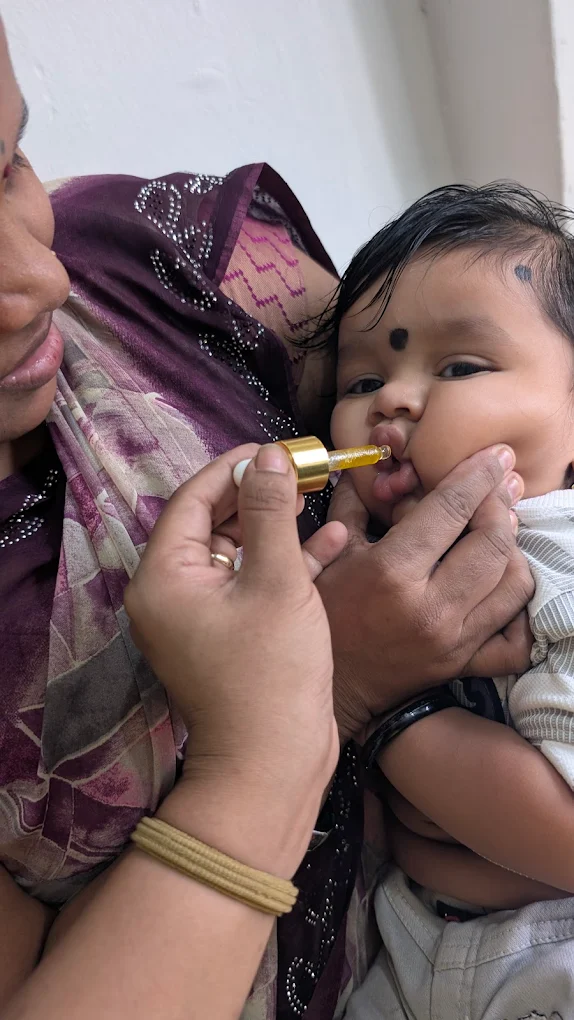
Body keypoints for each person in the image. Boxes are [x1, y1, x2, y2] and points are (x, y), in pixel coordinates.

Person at [0, 16, 533, 1017]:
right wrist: (321, 705)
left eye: (7, 163)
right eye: (368, 380)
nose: (43, 284)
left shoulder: (167, 254)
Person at [322, 183, 574, 1018]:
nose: (388, 401)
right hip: (414, 951)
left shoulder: (554, 552)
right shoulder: (357, 548)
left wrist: (387, 707)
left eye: (460, 367)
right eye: (361, 377)